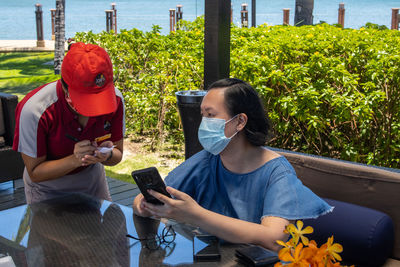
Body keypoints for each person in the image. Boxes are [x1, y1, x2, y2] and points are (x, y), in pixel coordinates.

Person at [132, 78, 332, 251]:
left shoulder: (276, 172)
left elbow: (275, 239)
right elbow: (152, 196)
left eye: (211, 115)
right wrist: (145, 205)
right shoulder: (208, 159)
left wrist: (196, 216)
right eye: (202, 115)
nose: (203, 123)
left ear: (240, 121)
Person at [13, 42, 125, 204]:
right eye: (87, 102)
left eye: (99, 99)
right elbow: (35, 172)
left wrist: (107, 155)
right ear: (66, 89)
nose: (95, 111)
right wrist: (75, 159)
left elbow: (118, 154)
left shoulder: (115, 100)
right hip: (47, 188)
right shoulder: (35, 110)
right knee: (50, 230)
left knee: (105, 229)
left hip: (92, 180)